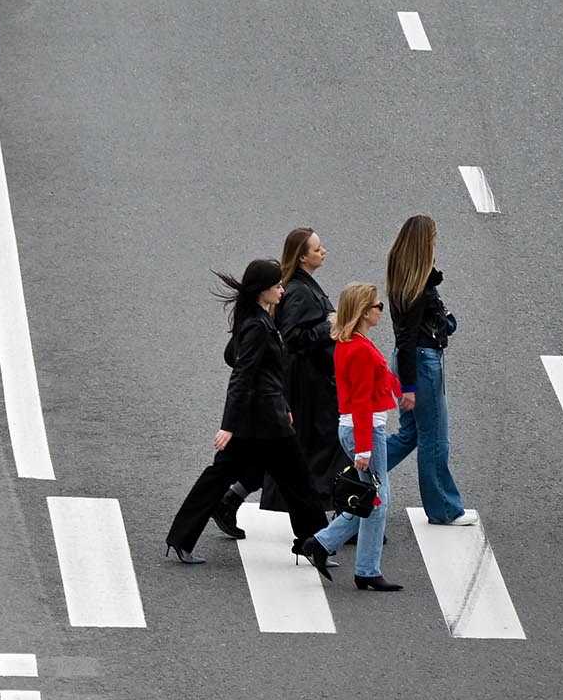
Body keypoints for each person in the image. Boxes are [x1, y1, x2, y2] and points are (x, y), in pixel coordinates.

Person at [165, 259, 331, 570]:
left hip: (261, 419)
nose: (283, 289)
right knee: (299, 483)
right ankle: (315, 544)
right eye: (278, 285)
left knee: (219, 478)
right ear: (263, 290)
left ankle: (181, 537)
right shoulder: (256, 325)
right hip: (267, 424)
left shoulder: (253, 319)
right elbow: (241, 374)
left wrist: (281, 404)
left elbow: (236, 358)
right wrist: (228, 426)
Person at [301, 284, 405, 590]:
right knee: (377, 500)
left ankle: (325, 547)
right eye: (377, 306)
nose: (380, 310)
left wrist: (403, 392)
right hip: (365, 429)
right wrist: (363, 449)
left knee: (370, 499)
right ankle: (362, 568)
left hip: (363, 427)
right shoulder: (358, 348)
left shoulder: (355, 342)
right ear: (362, 313)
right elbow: (360, 401)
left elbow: (379, 378)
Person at [383, 214, 473, 525]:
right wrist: (409, 387)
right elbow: (409, 337)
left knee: (410, 435)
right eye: (433, 240)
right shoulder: (419, 287)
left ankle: (359, 467)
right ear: (425, 245)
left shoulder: (403, 276)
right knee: (434, 438)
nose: (437, 244)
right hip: (421, 363)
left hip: (408, 360)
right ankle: (443, 510)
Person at [262, 226, 341, 511]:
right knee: (325, 446)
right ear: (303, 257)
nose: (323, 252)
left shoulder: (301, 285)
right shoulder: (298, 290)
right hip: (310, 383)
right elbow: (293, 337)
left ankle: (233, 495)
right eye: (317, 249)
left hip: (313, 379)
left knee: (301, 448)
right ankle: (341, 511)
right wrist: (330, 325)